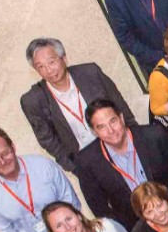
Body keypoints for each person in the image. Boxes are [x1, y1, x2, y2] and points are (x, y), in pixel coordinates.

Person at [19, 37, 137, 172]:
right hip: (88, 163)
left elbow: (119, 105)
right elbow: (47, 140)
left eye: (51, 62)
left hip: (121, 144)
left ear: (64, 59)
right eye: (40, 67)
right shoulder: (33, 101)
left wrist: (136, 137)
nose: (48, 70)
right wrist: (75, 168)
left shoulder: (91, 72)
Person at [73, 99, 168, 231]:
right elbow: (99, 207)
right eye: (101, 127)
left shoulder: (153, 135)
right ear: (94, 131)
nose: (110, 130)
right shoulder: (87, 161)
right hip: (136, 229)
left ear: (121, 118)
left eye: (113, 121)